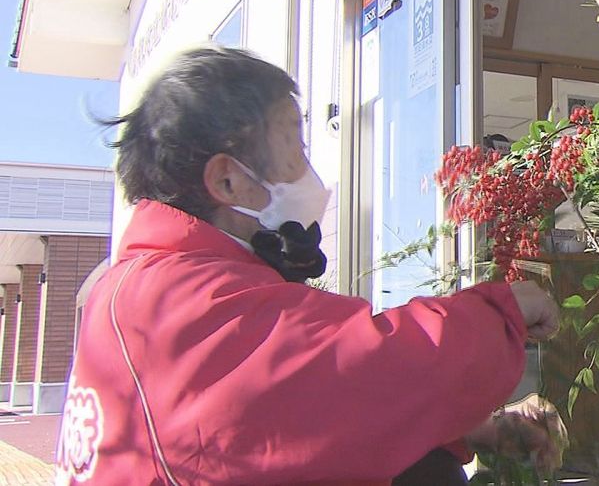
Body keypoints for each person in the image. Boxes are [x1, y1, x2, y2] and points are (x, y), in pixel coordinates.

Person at [56, 47, 563, 485]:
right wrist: (502, 310)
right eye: (296, 149)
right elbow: (369, 368)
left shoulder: (147, 282)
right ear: (229, 182)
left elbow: (301, 419)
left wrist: (479, 429)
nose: (312, 173)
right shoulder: (180, 303)